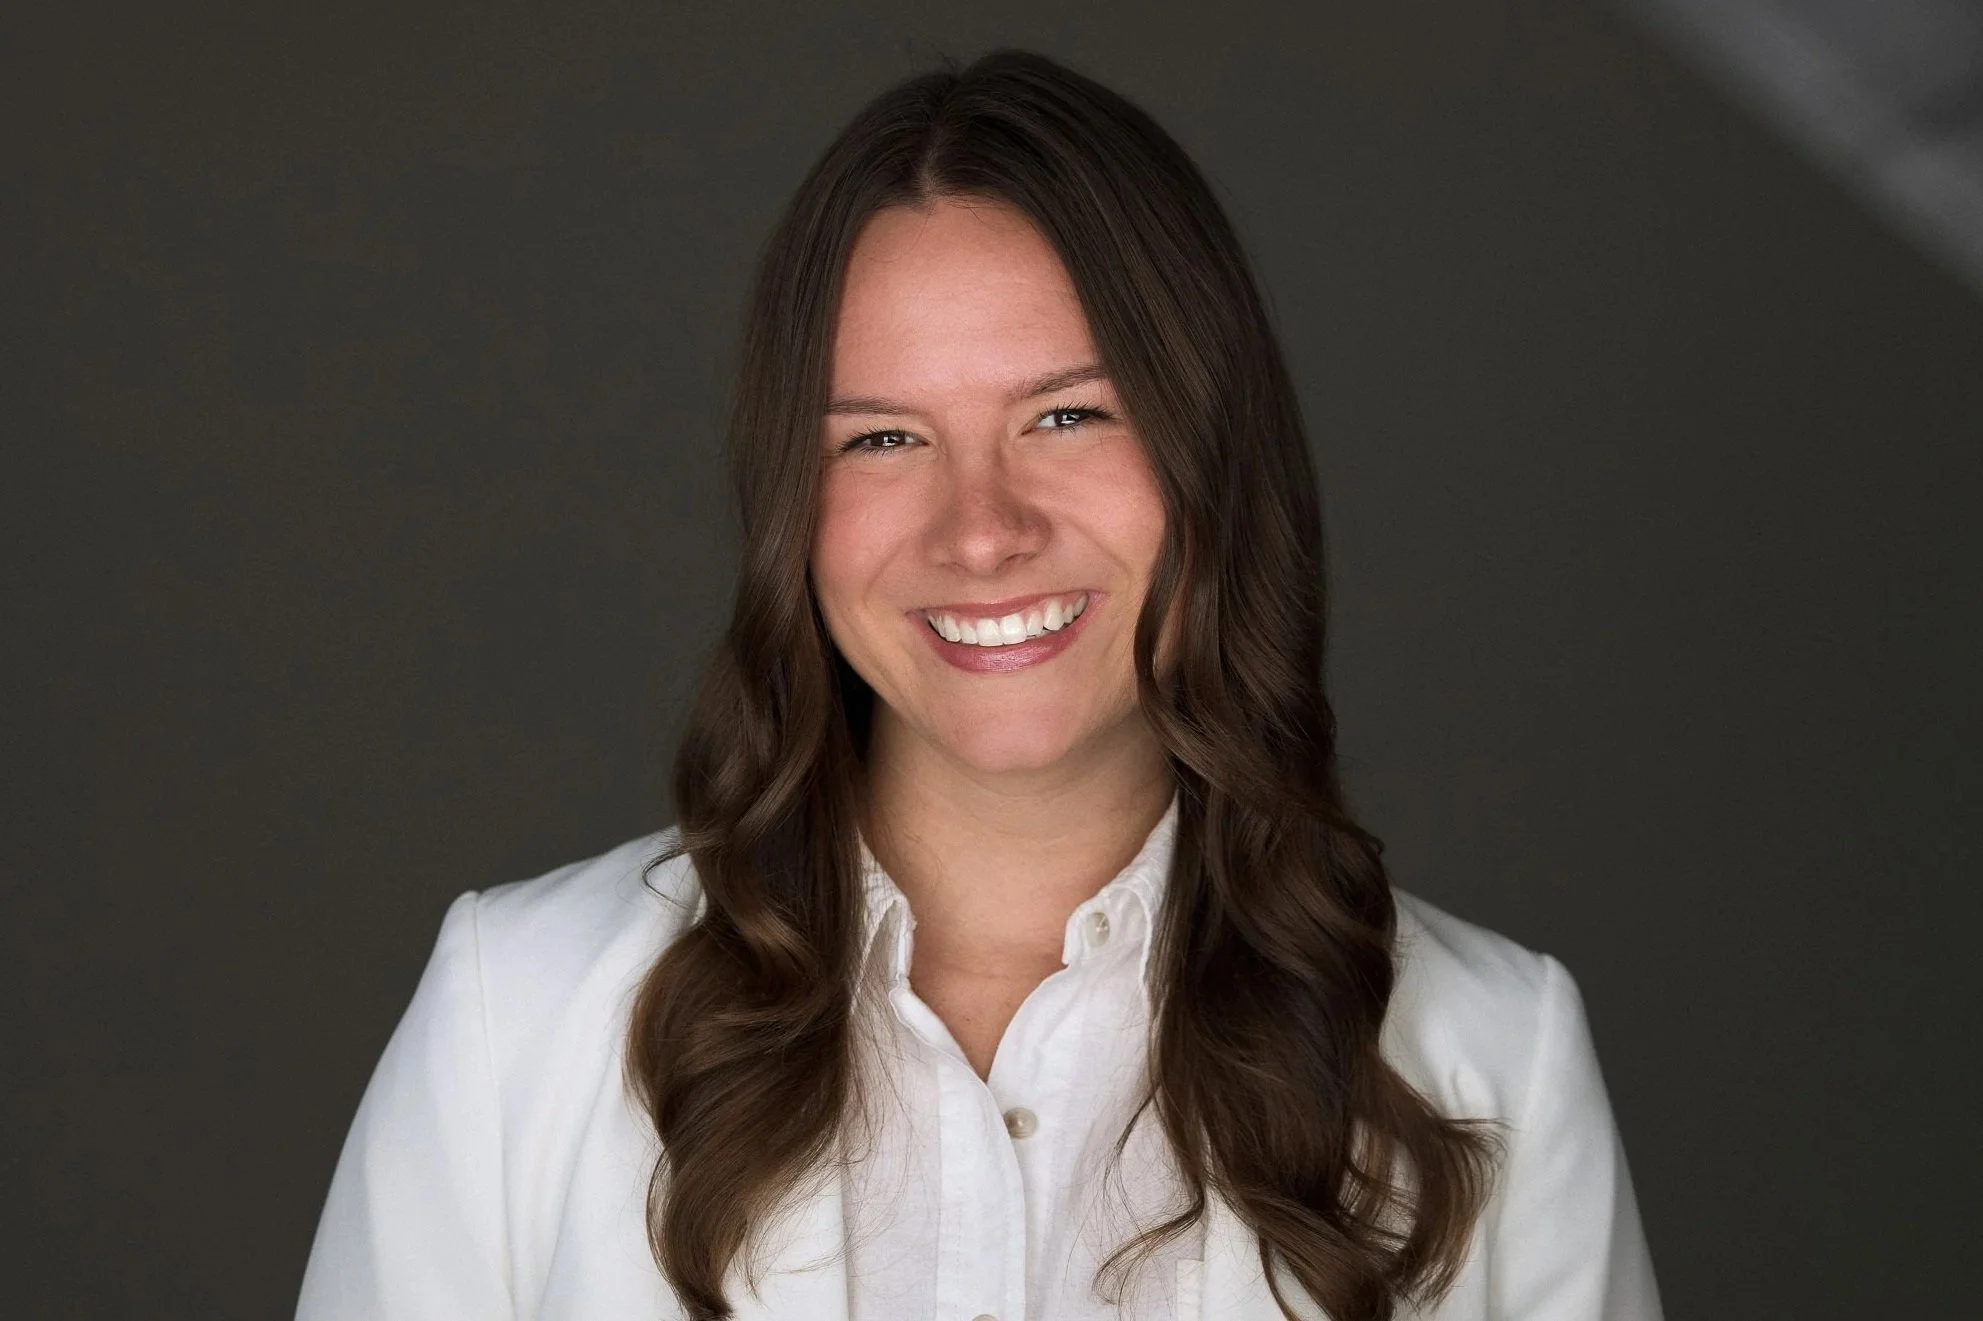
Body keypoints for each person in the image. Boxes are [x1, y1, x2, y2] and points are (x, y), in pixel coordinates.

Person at [295, 47, 1663, 1321]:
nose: (981, 530)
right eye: (882, 438)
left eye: (1066, 415)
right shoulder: (515, 1017)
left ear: (1213, 450)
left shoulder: (1494, 1054)